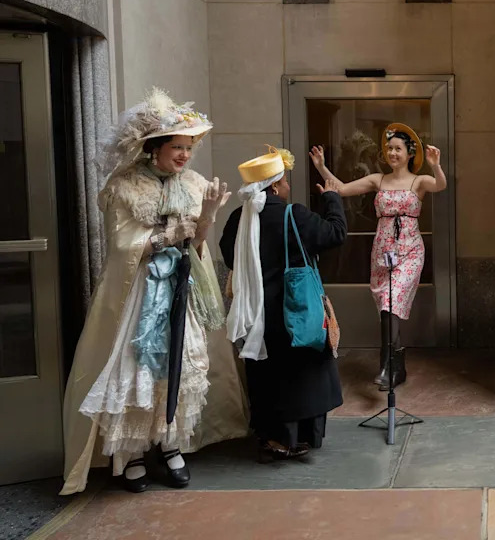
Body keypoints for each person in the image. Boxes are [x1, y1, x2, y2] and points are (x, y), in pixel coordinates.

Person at [61, 88, 248, 495]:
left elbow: (197, 243)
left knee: (181, 366)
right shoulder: (124, 187)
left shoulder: (193, 183)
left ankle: (170, 444)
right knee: (135, 369)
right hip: (139, 294)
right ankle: (129, 454)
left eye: (188, 148)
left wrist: (208, 218)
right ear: (154, 148)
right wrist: (165, 236)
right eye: (177, 147)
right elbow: (122, 246)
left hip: (182, 287)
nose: (184, 155)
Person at [219, 147, 347, 461]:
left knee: (267, 378)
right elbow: (335, 234)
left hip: (256, 316)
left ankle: (271, 437)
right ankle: (298, 439)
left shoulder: (240, 216)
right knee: (300, 377)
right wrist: (332, 198)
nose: (288, 186)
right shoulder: (294, 215)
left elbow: (227, 253)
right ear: (275, 186)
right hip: (295, 312)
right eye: (285, 181)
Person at [311, 123, 446, 390]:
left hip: (409, 251)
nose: (392, 153)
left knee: (390, 302)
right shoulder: (378, 180)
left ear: (409, 153)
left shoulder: (419, 181)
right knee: (386, 307)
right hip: (383, 252)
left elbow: (439, 184)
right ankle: (397, 365)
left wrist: (435, 164)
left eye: (398, 149)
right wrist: (321, 167)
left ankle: (387, 365)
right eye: (389, 149)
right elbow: (343, 188)